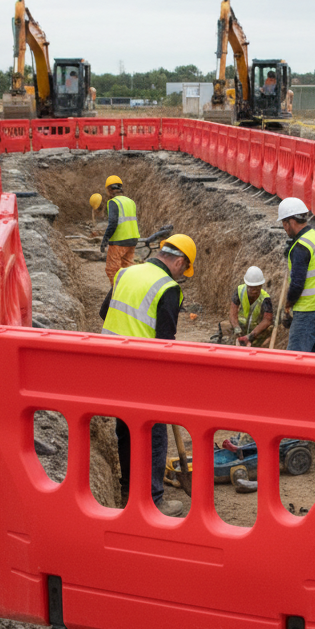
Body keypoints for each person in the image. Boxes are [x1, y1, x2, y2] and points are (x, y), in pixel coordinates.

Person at [101, 234, 198, 516]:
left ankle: (129, 489)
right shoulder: (168, 288)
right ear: (179, 262)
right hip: (142, 372)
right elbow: (164, 342)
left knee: (125, 430)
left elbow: (104, 311)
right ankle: (154, 499)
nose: (181, 276)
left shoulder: (126, 272)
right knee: (155, 434)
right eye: (184, 270)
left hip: (110, 364)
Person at [278, 197, 315, 353]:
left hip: (309, 311)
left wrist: (288, 305)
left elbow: (297, 284)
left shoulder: (300, 247)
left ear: (290, 222)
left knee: (296, 358)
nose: (284, 227)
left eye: (284, 223)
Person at [100, 176, 140, 285]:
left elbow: (113, 223)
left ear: (108, 190)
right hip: (132, 240)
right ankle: (133, 290)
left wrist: (105, 240)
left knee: (112, 270)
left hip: (119, 241)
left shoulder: (113, 202)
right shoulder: (131, 201)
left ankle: (118, 294)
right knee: (128, 268)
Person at [229, 266, 274, 346]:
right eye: (252, 288)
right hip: (240, 327)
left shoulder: (265, 298)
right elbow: (233, 312)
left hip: (256, 331)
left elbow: (267, 320)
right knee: (224, 328)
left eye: (257, 288)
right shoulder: (240, 291)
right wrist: (236, 328)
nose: (254, 291)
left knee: (267, 338)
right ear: (247, 285)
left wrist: (251, 336)